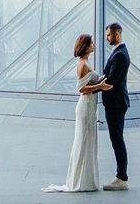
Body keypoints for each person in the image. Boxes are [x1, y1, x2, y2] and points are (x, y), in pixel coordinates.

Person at [43, 34, 111, 193]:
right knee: (83, 142)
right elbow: (81, 89)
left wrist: (104, 78)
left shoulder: (86, 62)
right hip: (85, 107)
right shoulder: (82, 65)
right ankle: (81, 181)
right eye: (91, 43)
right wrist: (100, 86)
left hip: (89, 106)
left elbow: (92, 81)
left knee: (86, 141)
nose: (94, 45)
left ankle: (85, 180)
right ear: (85, 46)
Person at [100, 22, 131, 189]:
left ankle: (122, 178)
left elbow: (111, 80)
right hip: (116, 102)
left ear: (117, 34)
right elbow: (108, 75)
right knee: (117, 138)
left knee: (117, 139)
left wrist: (93, 87)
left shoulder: (120, 54)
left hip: (116, 103)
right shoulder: (119, 52)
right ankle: (121, 176)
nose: (107, 38)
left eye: (109, 35)